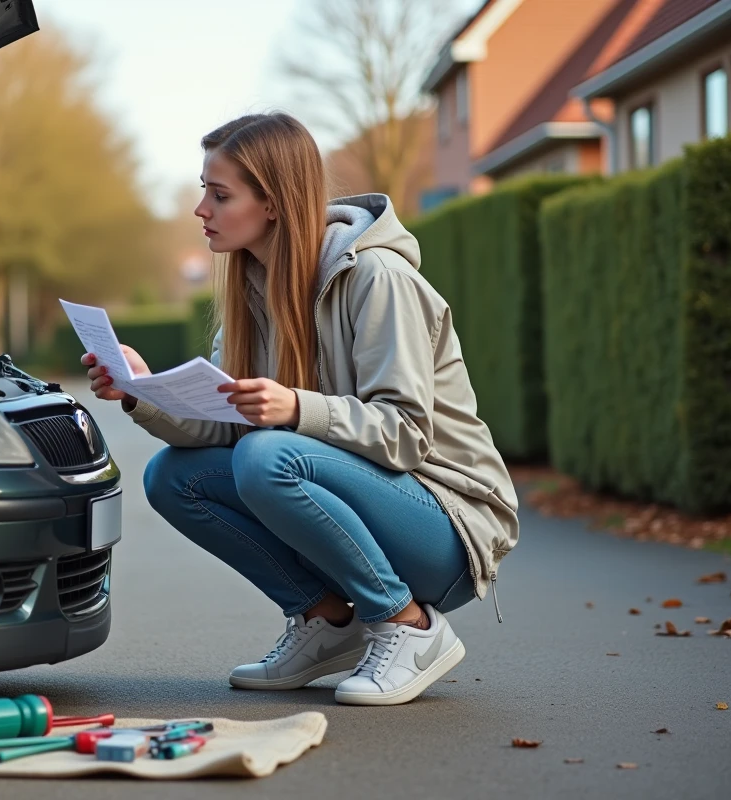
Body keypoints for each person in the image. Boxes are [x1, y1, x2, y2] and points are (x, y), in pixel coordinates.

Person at [81, 112, 518, 706]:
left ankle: (409, 625)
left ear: (273, 203)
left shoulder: (378, 278)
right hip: (373, 506)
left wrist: (295, 408)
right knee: (172, 477)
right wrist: (142, 391)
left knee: (267, 457)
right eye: (205, 191)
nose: (201, 209)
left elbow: (407, 433)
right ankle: (327, 620)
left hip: (448, 529)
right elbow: (224, 422)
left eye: (219, 195)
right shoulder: (254, 290)